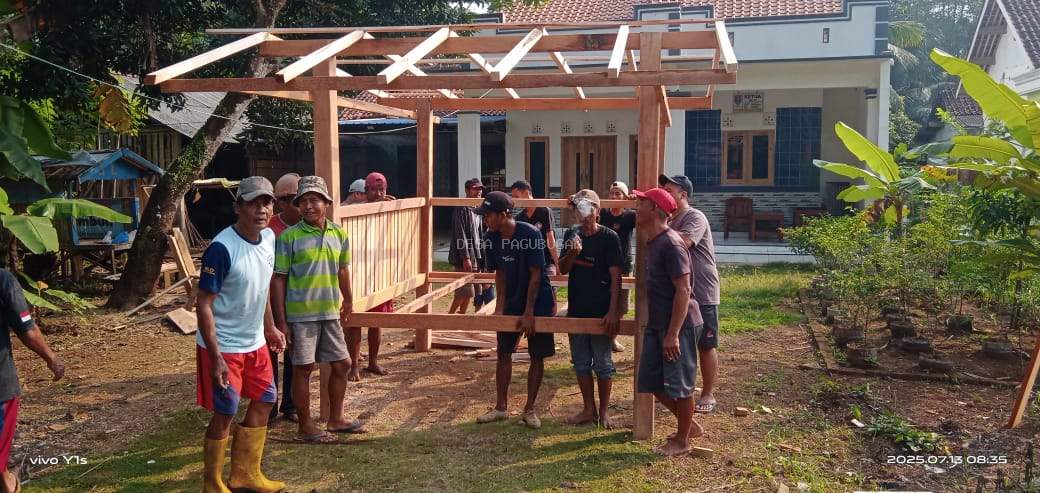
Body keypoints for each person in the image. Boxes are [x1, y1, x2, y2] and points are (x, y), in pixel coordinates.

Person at [196, 176, 286, 492]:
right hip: (224, 345)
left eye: (267, 202)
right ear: (238, 207)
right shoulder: (221, 249)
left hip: (255, 342)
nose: (262, 209)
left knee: (265, 399)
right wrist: (216, 357)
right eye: (253, 202)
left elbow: (260, 290)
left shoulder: (269, 239)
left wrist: (270, 326)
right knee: (226, 411)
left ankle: (245, 474)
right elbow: (203, 305)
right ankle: (213, 483)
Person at [271, 176, 361, 444]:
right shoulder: (289, 237)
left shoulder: (338, 234)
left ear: (327, 203)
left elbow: (342, 270)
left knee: (343, 363)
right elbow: (279, 278)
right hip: (300, 316)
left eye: (314, 200)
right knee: (303, 368)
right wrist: (282, 321)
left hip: (330, 312)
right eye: (303, 202)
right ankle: (306, 425)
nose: (308, 206)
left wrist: (349, 299)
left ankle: (336, 419)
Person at [632, 187, 704, 457]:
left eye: (641, 203)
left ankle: (682, 440)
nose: (636, 208)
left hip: (679, 325)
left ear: (654, 209)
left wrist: (672, 334)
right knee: (650, 381)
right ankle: (688, 425)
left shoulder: (671, 244)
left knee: (681, 385)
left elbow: (683, 291)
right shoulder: (654, 241)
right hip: (659, 323)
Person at [474, 191, 556, 429]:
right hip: (511, 299)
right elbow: (499, 273)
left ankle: (530, 410)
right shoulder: (491, 238)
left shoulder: (530, 234)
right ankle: (501, 407)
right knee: (503, 352)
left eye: (487, 215)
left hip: (537, 299)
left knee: (536, 355)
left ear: (503, 214)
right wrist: (500, 308)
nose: (484, 219)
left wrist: (529, 312)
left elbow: (536, 274)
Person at [559, 190, 622, 428]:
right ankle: (588, 409)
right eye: (579, 209)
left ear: (597, 211)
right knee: (581, 362)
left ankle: (604, 412)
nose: (584, 214)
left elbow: (616, 275)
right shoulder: (571, 234)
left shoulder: (609, 238)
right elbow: (563, 269)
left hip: (600, 310)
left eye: (589, 208)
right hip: (577, 308)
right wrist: (573, 254)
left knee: (603, 363)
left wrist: (613, 310)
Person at [660, 174, 721, 414]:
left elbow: (683, 243)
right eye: (662, 190)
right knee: (679, 343)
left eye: (669, 190)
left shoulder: (694, 217)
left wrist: (658, 227)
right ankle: (681, 391)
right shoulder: (669, 220)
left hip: (702, 292)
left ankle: (707, 393)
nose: (665, 193)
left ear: (683, 195)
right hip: (680, 294)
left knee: (705, 344)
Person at [347, 172, 394, 380]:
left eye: (382, 189)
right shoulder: (354, 210)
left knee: (377, 322)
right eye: (374, 189)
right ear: (365, 191)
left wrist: (392, 206)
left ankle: (373, 362)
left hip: (379, 271)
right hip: (357, 274)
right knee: (355, 323)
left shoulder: (387, 207)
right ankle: (354, 365)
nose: (379, 193)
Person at [267, 173, 300, 423]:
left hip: (296, 304)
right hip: (267, 305)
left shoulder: (308, 228)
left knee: (294, 357)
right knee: (269, 357)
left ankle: (290, 405)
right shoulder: (269, 231)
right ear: (281, 203)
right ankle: (268, 406)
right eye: (293, 199)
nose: (301, 204)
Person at [599, 181, 636, 353]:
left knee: (621, 305)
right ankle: (601, 339)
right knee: (603, 301)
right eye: (612, 193)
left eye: (618, 194)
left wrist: (634, 201)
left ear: (624, 196)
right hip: (603, 264)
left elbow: (647, 214)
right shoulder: (603, 213)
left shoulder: (629, 216)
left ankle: (611, 338)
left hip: (624, 264)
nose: (614, 197)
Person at [448, 178, 487, 314]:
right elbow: (460, 233)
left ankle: (461, 317)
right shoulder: (461, 208)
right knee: (463, 292)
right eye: (475, 189)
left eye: (480, 189)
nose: (479, 191)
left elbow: (481, 233)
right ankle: (450, 316)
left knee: (474, 292)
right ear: (467, 191)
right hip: (464, 256)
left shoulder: (478, 209)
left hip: (477, 254)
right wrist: (465, 257)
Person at [510, 180, 559, 275]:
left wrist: (557, 263)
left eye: (516, 197)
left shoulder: (544, 211)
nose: (514, 200)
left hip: (546, 262)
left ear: (526, 193)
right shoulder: (519, 217)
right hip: (528, 264)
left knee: (548, 287)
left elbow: (550, 238)